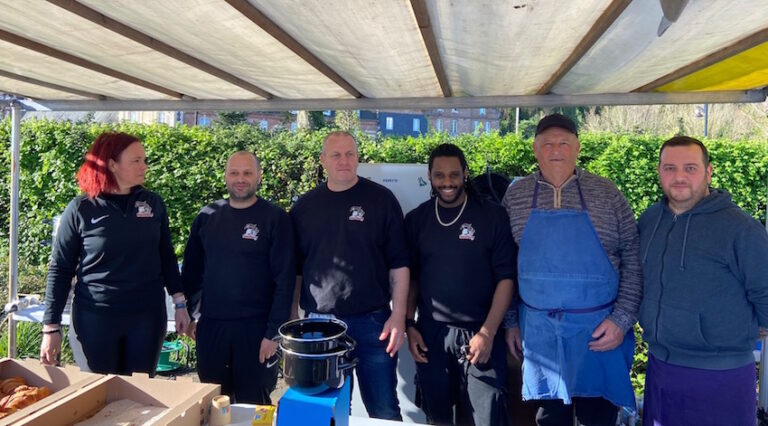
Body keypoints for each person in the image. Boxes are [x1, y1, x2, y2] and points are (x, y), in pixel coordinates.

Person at [502, 114, 642, 425]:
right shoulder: (516, 195)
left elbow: (633, 256)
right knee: (548, 417)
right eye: (547, 144)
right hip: (541, 336)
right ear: (535, 150)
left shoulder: (607, 193)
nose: (556, 150)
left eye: (564, 143)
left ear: (577, 147)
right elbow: (506, 265)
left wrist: (621, 320)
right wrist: (511, 322)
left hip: (600, 332)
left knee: (598, 416)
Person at [638, 136, 768, 425]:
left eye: (690, 168)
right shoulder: (648, 221)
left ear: (708, 172)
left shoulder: (740, 228)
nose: (680, 176)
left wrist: (739, 329)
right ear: (659, 171)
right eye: (670, 168)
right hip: (660, 368)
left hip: (722, 376)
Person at [40, 132, 190, 374]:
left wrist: (180, 303)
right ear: (112, 164)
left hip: (146, 317)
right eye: (136, 160)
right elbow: (60, 269)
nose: (144, 166)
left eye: (144, 159)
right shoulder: (82, 209)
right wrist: (50, 327)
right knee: (98, 396)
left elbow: (166, 256)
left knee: (139, 397)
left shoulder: (152, 203)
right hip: (95, 318)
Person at [290, 131, 409, 420]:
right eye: (335, 155)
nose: (343, 160)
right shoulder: (304, 207)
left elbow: (400, 264)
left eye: (349, 154)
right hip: (319, 326)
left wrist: (399, 316)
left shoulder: (381, 199)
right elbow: (294, 269)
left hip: (374, 322)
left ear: (358, 158)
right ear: (323, 161)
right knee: (328, 410)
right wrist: (293, 316)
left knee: (383, 409)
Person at [404, 143, 517, 425]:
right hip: (431, 335)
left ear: (465, 174)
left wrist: (488, 334)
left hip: (481, 334)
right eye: (440, 175)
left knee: (484, 419)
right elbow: (412, 278)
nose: (447, 182)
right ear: (429, 176)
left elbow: (506, 279)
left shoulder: (492, 217)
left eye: (454, 174)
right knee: (437, 418)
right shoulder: (417, 220)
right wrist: (409, 325)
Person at [181, 151, 294, 404]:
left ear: (259, 177)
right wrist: (192, 315)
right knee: (214, 401)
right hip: (211, 328)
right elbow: (191, 273)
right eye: (234, 173)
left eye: (247, 173)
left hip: (256, 331)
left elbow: (284, 281)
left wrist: (273, 334)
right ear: (225, 177)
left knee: (254, 404)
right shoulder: (207, 217)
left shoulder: (275, 219)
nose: (240, 179)